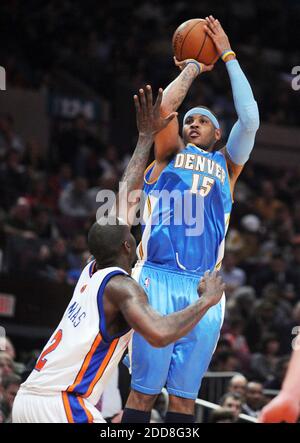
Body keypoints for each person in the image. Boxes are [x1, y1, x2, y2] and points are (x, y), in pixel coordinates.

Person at [12, 86, 225, 423]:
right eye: (131, 233)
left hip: (26, 399)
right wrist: (206, 300)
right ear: (127, 246)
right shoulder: (121, 287)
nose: (136, 230)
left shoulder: (90, 273)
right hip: (63, 405)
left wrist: (144, 139)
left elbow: (126, 198)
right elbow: (159, 332)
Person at [122, 15, 259, 423]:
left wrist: (228, 54)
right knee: (142, 397)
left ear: (218, 134)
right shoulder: (168, 156)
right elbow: (163, 109)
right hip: (156, 279)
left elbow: (249, 119)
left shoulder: (227, 166)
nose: (192, 123)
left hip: (203, 289)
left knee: (183, 402)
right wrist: (195, 66)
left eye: (202, 121)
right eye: (188, 121)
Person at [259, 347, 300, 423]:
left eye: (288, 369)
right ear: (280, 370)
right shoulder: (270, 384)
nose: (287, 372)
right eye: (285, 369)